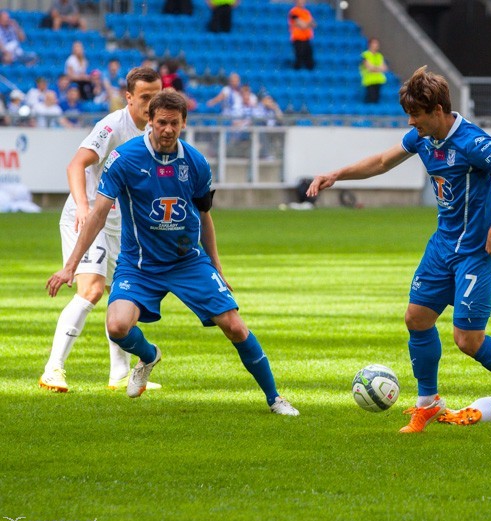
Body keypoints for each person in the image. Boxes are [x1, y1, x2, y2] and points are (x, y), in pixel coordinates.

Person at [306, 66, 491, 434]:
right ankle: (427, 403)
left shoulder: (473, 143)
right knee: (416, 319)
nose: (411, 122)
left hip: (476, 251)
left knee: (468, 340)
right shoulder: (422, 138)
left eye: (416, 115)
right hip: (442, 246)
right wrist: (336, 174)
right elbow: (382, 162)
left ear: (438, 111)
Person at [45, 90, 300, 416]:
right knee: (117, 326)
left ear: (183, 124)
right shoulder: (124, 159)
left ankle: (274, 398)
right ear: (149, 122)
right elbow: (98, 214)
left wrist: (217, 266)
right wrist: (70, 267)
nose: (167, 129)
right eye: (161, 122)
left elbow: (205, 216)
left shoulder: (196, 162)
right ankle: (149, 355)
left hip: (187, 262)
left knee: (234, 326)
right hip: (139, 264)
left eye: (174, 123)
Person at [38, 67, 163, 394]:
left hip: (121, 228)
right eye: (145, 97)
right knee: (91, 290)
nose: (151, 104)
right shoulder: (111, 126)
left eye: (156, 96)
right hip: (86, 219)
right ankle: (53, 368)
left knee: (121, 296)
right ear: (129, 98)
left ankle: (119, 373)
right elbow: (76, 164)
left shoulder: (156, 135)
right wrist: (82, 205)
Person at [288, 0, 315, 70]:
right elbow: (301, 24)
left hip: (307, 38)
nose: (302, 2)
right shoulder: (294, 12)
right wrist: (307, 24)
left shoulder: (306, 12)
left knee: (309, 59)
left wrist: (305, 24)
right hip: (298, 38)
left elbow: (314, 24)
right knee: (299, 58)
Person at [360, 38, 387, 104]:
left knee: (376, 100)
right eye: (374, 43)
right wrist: (378, 68)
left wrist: (374, 68)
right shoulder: (365, 55)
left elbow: (384, 68)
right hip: (369, 81)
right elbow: (369, 68)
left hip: (378, 81)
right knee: (369, 100)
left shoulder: (379, 55)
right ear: (370, 44)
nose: (376, 45)